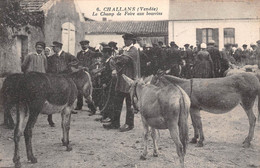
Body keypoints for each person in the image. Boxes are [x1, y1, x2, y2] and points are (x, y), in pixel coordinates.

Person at [103, 33, 141, 132]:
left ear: (131, 40)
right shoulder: (125, 49)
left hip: (129, 81)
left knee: (129, 104)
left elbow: (124, 59)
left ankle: (129, 124)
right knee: (117, 103)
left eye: (127, 39)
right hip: (121, 81)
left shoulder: (133, 50)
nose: (125, 41)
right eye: (124, 39)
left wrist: (115, 58)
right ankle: (115, 123)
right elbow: (118, 59)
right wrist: (116, 58)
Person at [75, 40, 96, 114]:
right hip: (80, 74)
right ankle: (79, 105)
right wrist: (78, 67)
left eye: (85, 44)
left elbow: (94, 63)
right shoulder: (79, 54)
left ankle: (91, 106)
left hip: (88, 74)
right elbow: (77, 62)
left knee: (88, 90)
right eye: (82, 45)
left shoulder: (92, 54)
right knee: (79, 89)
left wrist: (87, 68)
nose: (84, 46)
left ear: (88, 45)